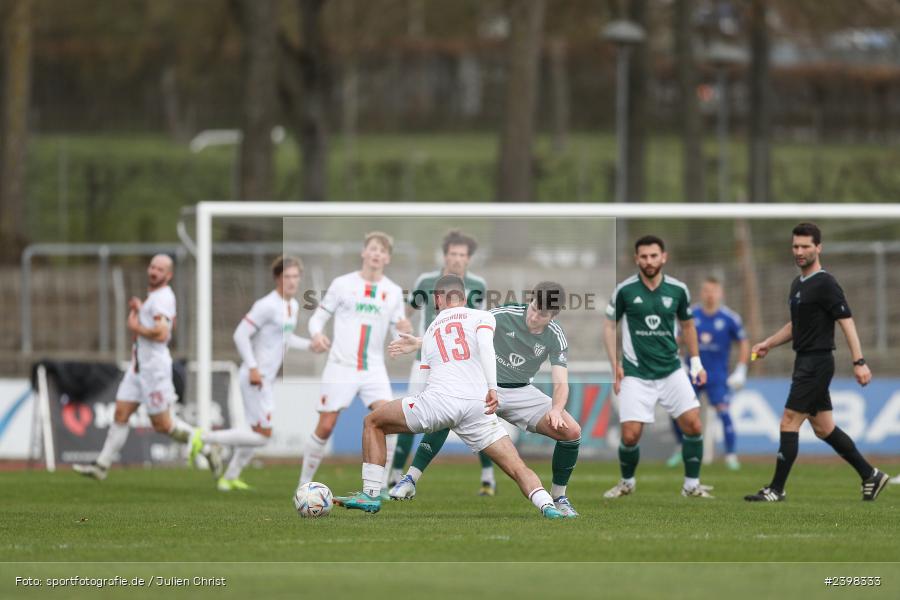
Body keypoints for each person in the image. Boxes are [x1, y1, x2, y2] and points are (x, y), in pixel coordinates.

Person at [333, 274, 566, 519]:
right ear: (465, 297)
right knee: (517, 467)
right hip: (479, 407)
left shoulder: (432, 328)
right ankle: (547, 506)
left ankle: (370, 494)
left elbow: (424, 373)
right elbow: (486, 347)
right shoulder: (483, 317)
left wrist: (419, 406)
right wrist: (492, 389)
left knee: (373, 422)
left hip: (439, 402)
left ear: (437, 299)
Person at [387, 282, 581, 517]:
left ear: (553, 316)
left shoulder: (555, 336)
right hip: (482, 386)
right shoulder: (504, 314)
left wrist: (557, 409)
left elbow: (561, 382)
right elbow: (462, 328)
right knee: (450, 411)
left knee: (572, 432)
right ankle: (410, 479)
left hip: (521, 392)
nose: (534, 316)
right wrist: (419, 342)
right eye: (533, 307)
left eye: (542, 314)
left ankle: (559, 497)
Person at [744, 222, 889, 502]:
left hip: (817, 363)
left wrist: (859, 361)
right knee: (824, 428)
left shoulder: (826, 283)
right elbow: (797, 326)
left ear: (818, 248)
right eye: (795, 246)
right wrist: (768, 344)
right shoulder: (797, 284)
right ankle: (870, 475)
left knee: (788, 421)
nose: (799, 251)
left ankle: (776, 489)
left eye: (805, 246)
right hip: (805, 361)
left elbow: (846, 321)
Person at [74, 254, 221, 480]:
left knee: (164, 425)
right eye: (152, 266)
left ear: (168, 275)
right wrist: (141, 308)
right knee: (121, 413)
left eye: (160, 269)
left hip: (154, 370)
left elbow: (162, 333)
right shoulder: (154, 298)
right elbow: (157, 322)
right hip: (138, 367)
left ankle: (208, 447)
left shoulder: (162, 298)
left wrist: (136, 326)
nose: (154, 271)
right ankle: (101, 466)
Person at [196, 256, 326, 491]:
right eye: (287, 276)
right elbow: (240, 334)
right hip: (255, 378)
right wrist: (253, 366)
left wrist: (309, 345)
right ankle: (204, 439)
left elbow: (285, 339)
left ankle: (229, 477)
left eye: (296, 276)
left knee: (254, 432)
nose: (292, 281)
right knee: (264, 435)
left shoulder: (292, 306)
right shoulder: (266, 305)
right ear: (277, 278)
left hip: (266, 378)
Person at [297, 232, 411, 488]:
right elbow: (317, 318)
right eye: (372, 248)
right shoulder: (342, 284)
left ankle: (379, 487)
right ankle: (303, 485)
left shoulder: (392, 291)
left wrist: (403, 333)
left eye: (382, 251)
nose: (376, 254)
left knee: (390, 421)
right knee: (326, 426)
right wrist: (317, 335)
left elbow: (398, 333)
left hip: (373, 369)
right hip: (341, 366)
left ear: (388, 258)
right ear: (364, 252)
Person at [602, 235, 712, 499]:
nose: (649, 261)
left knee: (694, 426)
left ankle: (691, 485)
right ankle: (627, 482)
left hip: (671, 370)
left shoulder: (678, 290)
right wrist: (615, 363)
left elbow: (687, 326)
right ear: (636, 259)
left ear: (664, 257)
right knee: (630, 436)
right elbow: (608, 325)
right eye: (644, 256)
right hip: (636, 373)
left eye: (654, 256)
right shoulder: (625, 290)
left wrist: (696, 362)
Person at [388, 230, 496, 495]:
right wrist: (400, 323)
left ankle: (487, 477)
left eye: (462, 255)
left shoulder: (477, 285)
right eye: (453, 254)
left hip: (462, 364)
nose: (457, 259)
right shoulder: (426, 281)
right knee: (410, 413)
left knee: (479, 414)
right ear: (445, 255)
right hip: (424, 359)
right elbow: (406, 311)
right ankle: (394, 476)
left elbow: (479, 321)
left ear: (469, 259)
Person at [666, 277, 749, 470]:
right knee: (676, 411)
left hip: (717, 376)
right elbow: (676, 340)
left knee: (724, 412)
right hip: (692, 373)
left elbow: (744, 343)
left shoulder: (730, 318)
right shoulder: (691, 314)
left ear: (721, 293)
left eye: (714, 291)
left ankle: (730, 456)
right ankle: (681, 447)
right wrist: (673, 359)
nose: (710, 295)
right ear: (701, 293)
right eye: (706, 291)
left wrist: (741, 369)